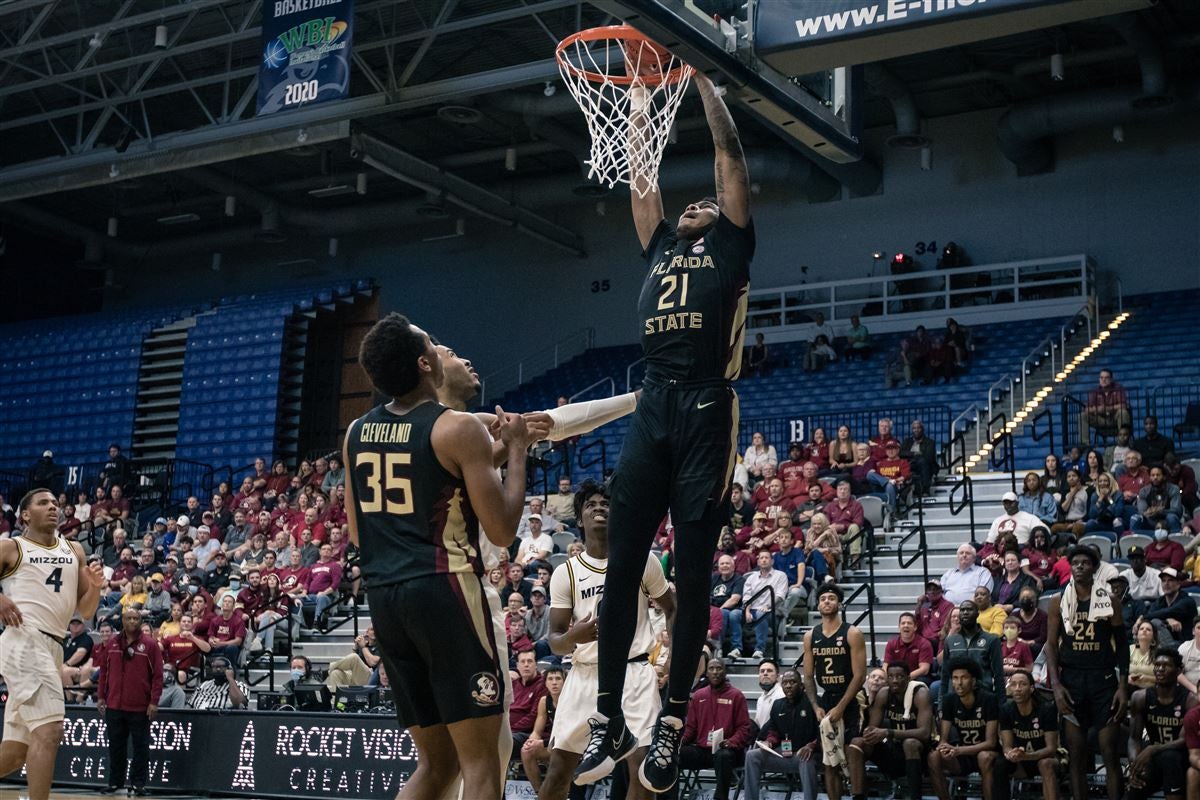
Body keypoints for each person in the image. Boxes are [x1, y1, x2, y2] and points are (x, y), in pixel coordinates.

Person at [575, 69, 754, 795]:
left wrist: (706, 84)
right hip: (653, 401)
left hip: (710, 405)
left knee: (688, 574)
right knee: (621, 569)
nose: (694, 204)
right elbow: (642, 181)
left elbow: (729, 160)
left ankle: (674, 720)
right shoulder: (656, 250)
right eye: (691, 204)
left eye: (706, 203)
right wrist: (643, 102)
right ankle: (610, 717)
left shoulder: (734, 249)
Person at [343, 314, 532, 800]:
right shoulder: (458, 428)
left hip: (384, 599)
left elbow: (355, 532)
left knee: (436, 763)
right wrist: (515, 451)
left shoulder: (356, 433)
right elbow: (503, 530)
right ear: (426, 364)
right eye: (432, 343)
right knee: (481, 764)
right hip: (444, 590)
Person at [539, 480, 675, 800]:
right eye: (591, 505)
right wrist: (574, 636)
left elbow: (672, 608)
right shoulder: (567, 572)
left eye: (606, 504)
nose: (599, 508)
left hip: (635, 674)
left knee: (642, 777)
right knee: (559, 773)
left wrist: (674, 654)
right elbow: (554, 640)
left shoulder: (642, 559)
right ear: (580, 519)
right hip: (586, 674)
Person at [0, 489, 104, 800]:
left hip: (53, 646)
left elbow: (85, 611)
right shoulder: (11, 547)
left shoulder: (74, 550)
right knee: (50, 731)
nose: (53, 508)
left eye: (56, 504)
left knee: (17, 752)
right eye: (43, 503)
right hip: (24, 639)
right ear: (25, 515)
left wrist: (96, 587)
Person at [1044, 545, 1127, 800]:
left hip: (1103, 680)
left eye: (1085, 563)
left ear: (1094, 568)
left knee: (1109, 752)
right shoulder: (1058, 601)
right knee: (1077, 756)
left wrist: (1123, 687)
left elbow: (1123, 646)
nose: (1079, 566)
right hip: (1071, 681)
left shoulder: (1110, 600)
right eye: (1075, 563)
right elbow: (1050, 646)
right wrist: (1056, 685)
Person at [801, 584, 866, 800]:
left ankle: (857, 795)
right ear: (818, 605)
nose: (827, 601)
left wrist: (841, 707)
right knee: (829, 759)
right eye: (823, 599)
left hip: (849, 699)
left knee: (851, 751)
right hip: (826, 698)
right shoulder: (810, 635)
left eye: (831, 598)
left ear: (839, 604)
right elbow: (808, 676)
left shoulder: (852, 633)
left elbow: (860, 676)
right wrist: (815, 705)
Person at [95, 605, 163, 797]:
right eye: (129, 618)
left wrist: (154, 701)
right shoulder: (112, 644)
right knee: (116, 746)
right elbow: (103, 672)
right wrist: (101, 696)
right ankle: (115, 782)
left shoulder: (150, 645)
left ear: (140, 622)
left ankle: (138, 784)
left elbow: (158, 676)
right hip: (114, 705)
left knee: (141, 747)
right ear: (122, 621)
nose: (132, 621)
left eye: (135, 618)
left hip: (140, 707)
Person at [848, 661, 932, 800]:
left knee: (909, 743)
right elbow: (873, 727)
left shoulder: (920, 693)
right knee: (857, 742)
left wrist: (888, 732)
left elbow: (924, 733)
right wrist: (870, 732)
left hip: (919, 753)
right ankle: (858, 796)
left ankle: (915, 797)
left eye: (899, 676)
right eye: (891, 676)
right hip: (893, 747)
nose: (894, 680)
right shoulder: (884, 693)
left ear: (908, 678)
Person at [678, 658, 752, 800]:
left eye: (719, 668)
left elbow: (744, 727)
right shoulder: (699, 695)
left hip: (727, 750)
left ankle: (720, 798)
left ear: (725, 671)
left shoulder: (736, 695)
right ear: (706, 673)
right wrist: (680, 742)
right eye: (711, 669)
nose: (715, 672)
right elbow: (691, 727)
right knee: (674, 754)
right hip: (702, 749)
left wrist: (731, 742)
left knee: (723, 756)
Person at [1126, 649, 1196, 800]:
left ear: (1179, 670)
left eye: (1166, 665)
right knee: (1130, 795)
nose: (1160, 669)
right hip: (1154, 759)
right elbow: (1133, 738)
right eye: (1157, 665)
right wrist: (1135, 766)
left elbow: (1183, 741)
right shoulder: (1140, 697)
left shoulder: (1190, 700)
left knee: (1170, 757)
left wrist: (1153, 748)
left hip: (1181, 760)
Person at [741, 669, 819, 800]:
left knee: (806, 760)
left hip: (806, 754)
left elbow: (822, 733)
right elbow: (773, 730)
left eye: (793, 682)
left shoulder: (813, 704)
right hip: (783, 754)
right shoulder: (778, 705)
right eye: (785, 683)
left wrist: (811, 746)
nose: (788, 686)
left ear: (802, 686)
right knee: (752, 755)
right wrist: (769, 742)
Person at [928, 658, 1000, 800]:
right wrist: (944, 748)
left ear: (973, 681)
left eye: (964, 678)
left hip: (988, 754)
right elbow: (943, 739)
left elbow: (991, 742)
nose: (958, 683)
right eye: (955, 678)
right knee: (933, 756)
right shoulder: (949, 700)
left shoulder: (989, 699)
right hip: (962, 756)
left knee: (984, 757)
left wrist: (959, 750)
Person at [996, 669, 1060, 800]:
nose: (1017, 688)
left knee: (1045, 764)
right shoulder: (1006, 710)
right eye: (1013, 684)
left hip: (1048, 759)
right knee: (999, 764)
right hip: (1022, 762)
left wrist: (1027, 756)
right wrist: (1012, 754)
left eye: (1022, 684)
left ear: (1031, 688)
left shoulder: (1046, 709)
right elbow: (1006, 746)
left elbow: (1051, 749)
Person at [941, 599, 1003, 701]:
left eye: (969, 609)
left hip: (983, 696)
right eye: (962, 610)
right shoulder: (950, 641)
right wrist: (941, 705)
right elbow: (945, 675)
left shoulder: (992, 640)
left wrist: (1001, 705)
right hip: (956, 697)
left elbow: (998, 675)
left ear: (977, 614)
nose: (965, 612)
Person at [520, 664, 564, 794]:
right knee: (526, 750)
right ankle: (539, 793)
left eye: (558, 679)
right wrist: (531, 741)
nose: (554, 683)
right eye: (550, 679)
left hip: (571, 745)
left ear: (565, 682)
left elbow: (568, 735)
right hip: (553, 743)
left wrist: (542, 743)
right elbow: (537, 731)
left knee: (555, 751)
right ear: (545, 683)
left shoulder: (569, 700)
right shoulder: (544, 701)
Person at [741, 550, 788, 659]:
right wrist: (747, 611)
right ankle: (736, 648)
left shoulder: (781, 576)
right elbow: (746, 597)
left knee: (761, 613)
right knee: (734, 615)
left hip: (773, 612)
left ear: (772, 561)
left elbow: (780, 596)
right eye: (761, 558)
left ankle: (759, 649)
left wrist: (768, 606)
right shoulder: (751, 578)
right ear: (758, 562)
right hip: (751, 610)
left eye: (766, 557)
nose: (763, 560)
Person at [1083, 369, 1131, 443]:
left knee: (1123, 412)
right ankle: (1085, 443)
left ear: (1111, 379)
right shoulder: (1095, 391)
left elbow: (1124, 405)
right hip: (1101, 419)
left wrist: (1109, 408)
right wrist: (1098, 409)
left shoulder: (1118, 388)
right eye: (1101, 378)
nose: (1103, 380)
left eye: (1106, 378)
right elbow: (1087, 409)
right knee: (1082, 415)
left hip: (1114, 418)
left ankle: (1124, 442)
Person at [883, 612, 933, 681]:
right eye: (903, 623)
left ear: (915, 627)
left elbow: (924, 669)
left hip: (916, 678)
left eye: (909, 623)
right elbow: (885, 667)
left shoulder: (924, 643)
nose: (906, 626)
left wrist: (905, 679)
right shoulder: (891, 644)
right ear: (899, 627)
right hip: (896, 678)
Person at [752, 659, 784, 731]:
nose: (765, 673)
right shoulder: (760, 699)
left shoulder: (782, 695)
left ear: (777, 676)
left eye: (769, 671)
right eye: (762, 671)